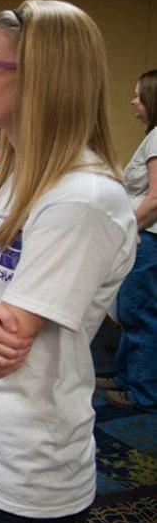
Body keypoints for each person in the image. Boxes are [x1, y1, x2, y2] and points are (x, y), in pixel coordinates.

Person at [0, 0, 136, 523]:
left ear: (45, 77)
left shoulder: (82, 199)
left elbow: (3, 347)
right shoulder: (4, 175)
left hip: (28, 463)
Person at [102, 68, 157, 410]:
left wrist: (122, 230)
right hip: (144, 239)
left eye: (138, 95)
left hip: (147, 241)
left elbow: (154, 199)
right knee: (131, 310)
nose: (133, 101)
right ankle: (125, 377)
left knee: (139, 315)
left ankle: (142, 392)